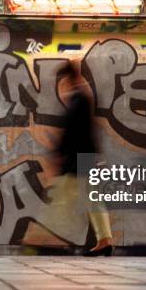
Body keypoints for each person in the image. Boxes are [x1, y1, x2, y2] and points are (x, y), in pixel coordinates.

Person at [53, 59, 113, 256]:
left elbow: (77, 132)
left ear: (68, 78)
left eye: (63, 79)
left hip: (80, 158)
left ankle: (41, 237)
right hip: (82, 157)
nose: (62, 84)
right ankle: (105, 239)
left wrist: (60, 153)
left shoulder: (80, 99)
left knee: (64, 196)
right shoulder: (80, 98)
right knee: (89, 198)